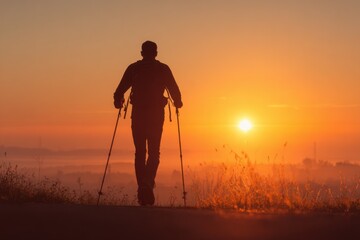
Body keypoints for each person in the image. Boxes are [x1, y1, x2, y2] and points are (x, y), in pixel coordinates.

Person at [113, 41, 183, 206]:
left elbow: (119, 90)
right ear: (156, 53)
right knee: (154, 152)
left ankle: (142, 190)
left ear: (141, 52)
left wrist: (118, 101)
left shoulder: (134, 68)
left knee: (139, 152)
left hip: (138, 114)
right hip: (156, 115)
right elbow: (174, 90)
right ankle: (147, 183)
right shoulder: (163, 69)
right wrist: (178, 103)